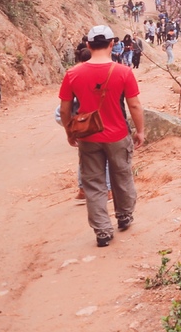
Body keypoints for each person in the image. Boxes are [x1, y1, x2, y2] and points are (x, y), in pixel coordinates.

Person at [59, 24, 145, 247]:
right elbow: (134, 106)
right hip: (118, 135)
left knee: (94, 184)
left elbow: (65, 108)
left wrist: (69, 130)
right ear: (112, 44)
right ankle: (124, 216)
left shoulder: (72, 73)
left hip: (88, 137)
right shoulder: (123, 72)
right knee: (122, 176)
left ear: (88, 45)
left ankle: (103, 232)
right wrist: (140, 131)